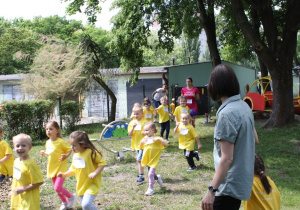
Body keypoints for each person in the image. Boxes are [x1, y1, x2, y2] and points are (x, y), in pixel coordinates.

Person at [201, 64, 256, 210]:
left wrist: (211, 190)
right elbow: (255, 139)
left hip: (228, 187)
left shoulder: (227, 114)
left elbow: (227, 158)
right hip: (240, 183)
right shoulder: (244, 106)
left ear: (214, 85)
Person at [57, 131, 106, 210]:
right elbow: (73, 170)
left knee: (86, 205)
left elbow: (102, 163)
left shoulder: (91, 152)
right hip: (81, 186)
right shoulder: (75, 156)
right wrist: (63, 175)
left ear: (82, 145)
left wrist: (95, 173)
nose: (72, 148)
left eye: (74, 145)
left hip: (92, 184)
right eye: (71, 145)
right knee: (85, 208)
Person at [40, 121, 76, 210]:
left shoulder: (60, 142)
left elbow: (69, 149)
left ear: (57, 130)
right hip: (52, 168)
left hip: (61, 168)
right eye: (47, 129)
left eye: (51, 129)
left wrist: (66, 156)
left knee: (57, 188)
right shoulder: (47, 142)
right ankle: (64, 202)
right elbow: (50, 152)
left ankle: (71, 197)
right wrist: (44, 153)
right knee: (57, 189)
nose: (48, 131)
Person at [11, 134, 44, 210]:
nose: (20, 148)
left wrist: (22, 189)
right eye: (17, 145)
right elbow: (16, 178)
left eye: (23, 145)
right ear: (14, 147)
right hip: (18, 199)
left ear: (30, 147)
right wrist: (12, 190)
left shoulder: (31, 164)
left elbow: (39, 181)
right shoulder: (16, 161)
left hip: (29, 200)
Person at [140, 122, 168, 196]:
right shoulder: (145, 139)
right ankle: (157, 178)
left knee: (150, 174)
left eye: (147, 130)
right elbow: (141, 147)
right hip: (148, 159)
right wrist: (141, 142)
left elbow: (166, 144)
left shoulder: (156, 139)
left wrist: (160, 140)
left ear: (153, 130)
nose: (145, 132)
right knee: (151, 174)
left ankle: (150, 189)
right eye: (144, 130)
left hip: (154, 160)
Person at [128, 104, 148, 183]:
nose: (136, 115)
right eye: (134, 114)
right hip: (136, 145)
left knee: (139, 159)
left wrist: (145, 132)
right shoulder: (132, 123)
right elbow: (130, 134)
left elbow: (149, 132)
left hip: (144, 144)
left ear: (142, 113)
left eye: (137, 114)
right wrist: (133, 127)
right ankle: (153, 174)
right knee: (143, 160)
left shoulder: (145, 122)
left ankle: (141, 176)